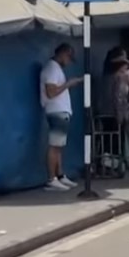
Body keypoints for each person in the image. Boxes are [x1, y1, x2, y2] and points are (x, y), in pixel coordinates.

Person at [40, 43, 84, 191]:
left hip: (61, 112)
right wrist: (69, 84)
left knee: (59, 146)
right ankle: (52, 178)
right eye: (68, 57)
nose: (69, 62)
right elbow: (51, 92)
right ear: (63, 54)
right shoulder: (52, 68)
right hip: (56, 111)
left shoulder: (55, 68)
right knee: (54, 146)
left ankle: (60, 175)